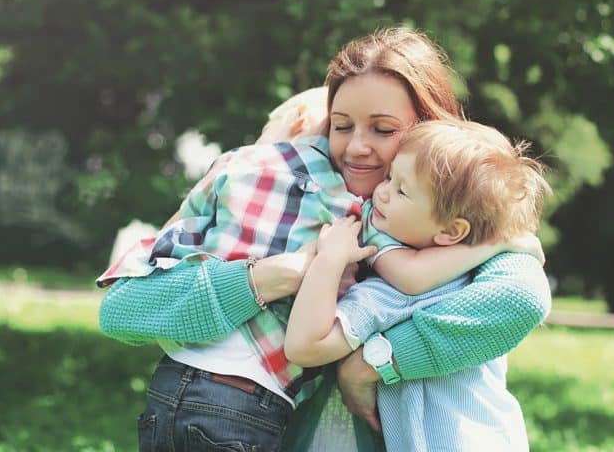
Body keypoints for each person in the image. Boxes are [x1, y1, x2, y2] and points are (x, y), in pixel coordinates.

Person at [97, 28, 550, 451]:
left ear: (432, 131)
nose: (356, 148)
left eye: (385, 130)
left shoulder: (473, 219)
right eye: (340, 126)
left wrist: (370, 365)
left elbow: (519, 300)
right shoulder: (295, 195)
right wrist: (272, 276)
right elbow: (123, 308)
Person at [284, 119, 551, 451]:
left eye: (400, 190)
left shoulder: (396, 296)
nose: (380, 192)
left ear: (452, 232)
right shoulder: (478, 280)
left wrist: (330, 258)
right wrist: (500, 242)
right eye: (389, 177)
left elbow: (303, 347)